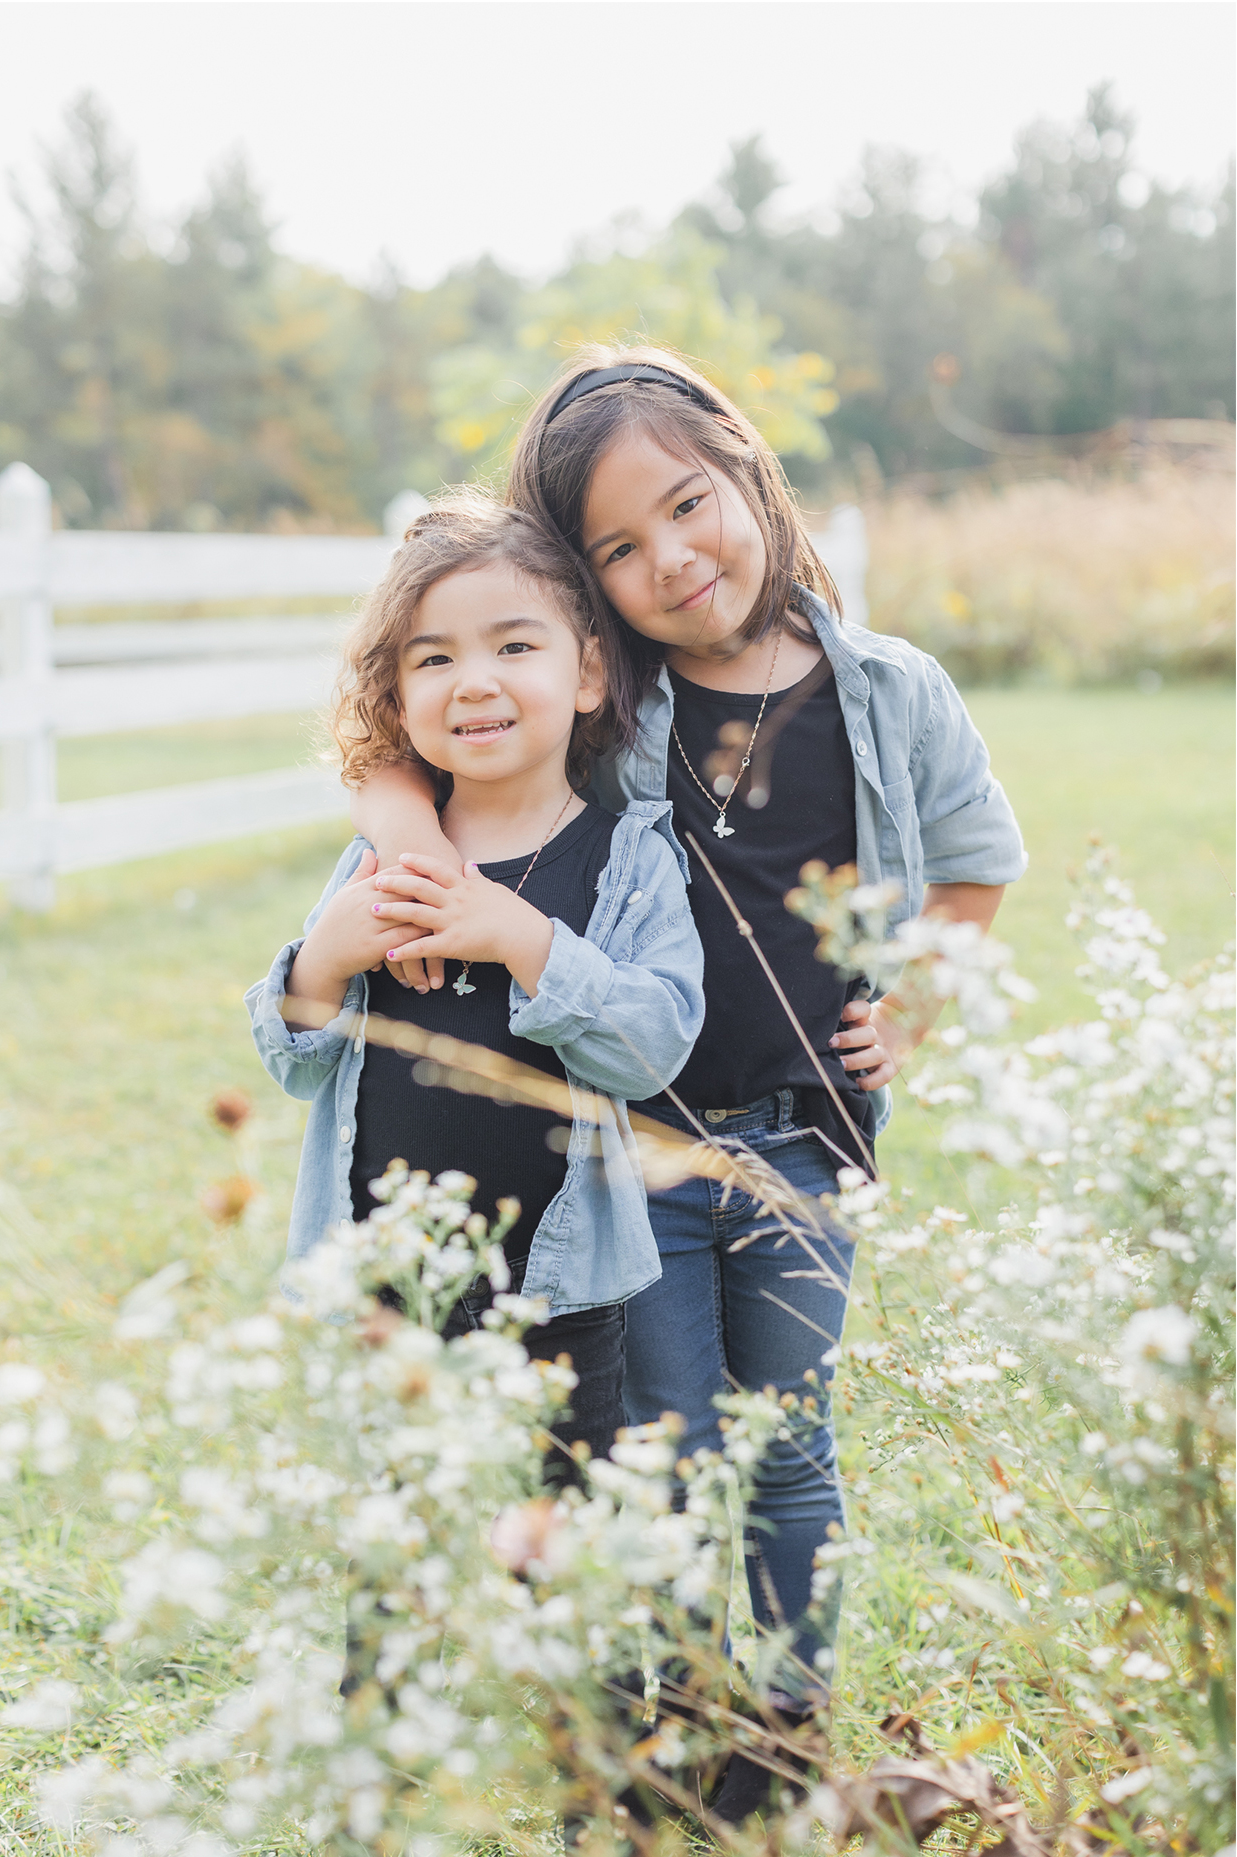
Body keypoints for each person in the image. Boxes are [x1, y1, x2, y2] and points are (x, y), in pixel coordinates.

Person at [348, 347, 1026, 1822]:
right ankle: (671, 1734)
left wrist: (914, 1005)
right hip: (626, 1144)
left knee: (788, 1445)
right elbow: (408, 735)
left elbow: (978, 864)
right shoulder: (614, 695)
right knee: (660, 1451)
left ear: (742, 463)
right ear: (590, 598)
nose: (673, 558)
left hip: (804, 1140)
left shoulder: (891, 690)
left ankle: (783, 1729)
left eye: (687, 505)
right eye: (619, 550)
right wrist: (410, 843)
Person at [248, 490, 703, 1494]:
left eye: (513, 647)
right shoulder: (379, 861)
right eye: (434, 658)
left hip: (559, 1285)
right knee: (395, 1547)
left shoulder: (624, 859)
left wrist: (527, 941)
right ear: (396, 696)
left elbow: (654, 1044)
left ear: (586, 674)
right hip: (385, 1272)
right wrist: (321, 961)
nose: (474, 682)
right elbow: (293, 1059)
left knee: (560, 1538)